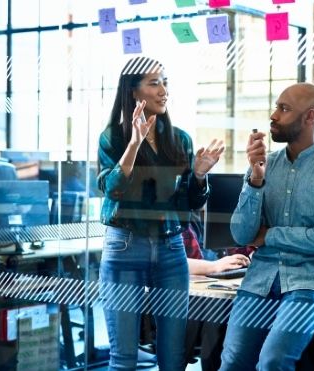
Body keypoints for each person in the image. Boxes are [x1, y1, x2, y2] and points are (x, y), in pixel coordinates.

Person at [218, 82, 314, 371]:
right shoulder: (265, 164)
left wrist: (269, 235)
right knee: (232, 363)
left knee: (273, 362)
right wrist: (255, 181)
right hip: (260, 279)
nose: (273, 115)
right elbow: (242, 234)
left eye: (284, 109)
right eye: (276, 107)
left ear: (309, 117)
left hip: (311, 280)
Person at [97, 56, 224, 370]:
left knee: (172, 357)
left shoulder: (179, 139)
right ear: (133, 91)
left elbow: (190, 204)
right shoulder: (112, 137)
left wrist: (199, 176)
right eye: (154, 83)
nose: (163, 90)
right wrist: (134, 144)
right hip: (125, 245)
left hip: (170, 247)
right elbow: (113, 188)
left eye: (165, 81)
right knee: (124, 358)